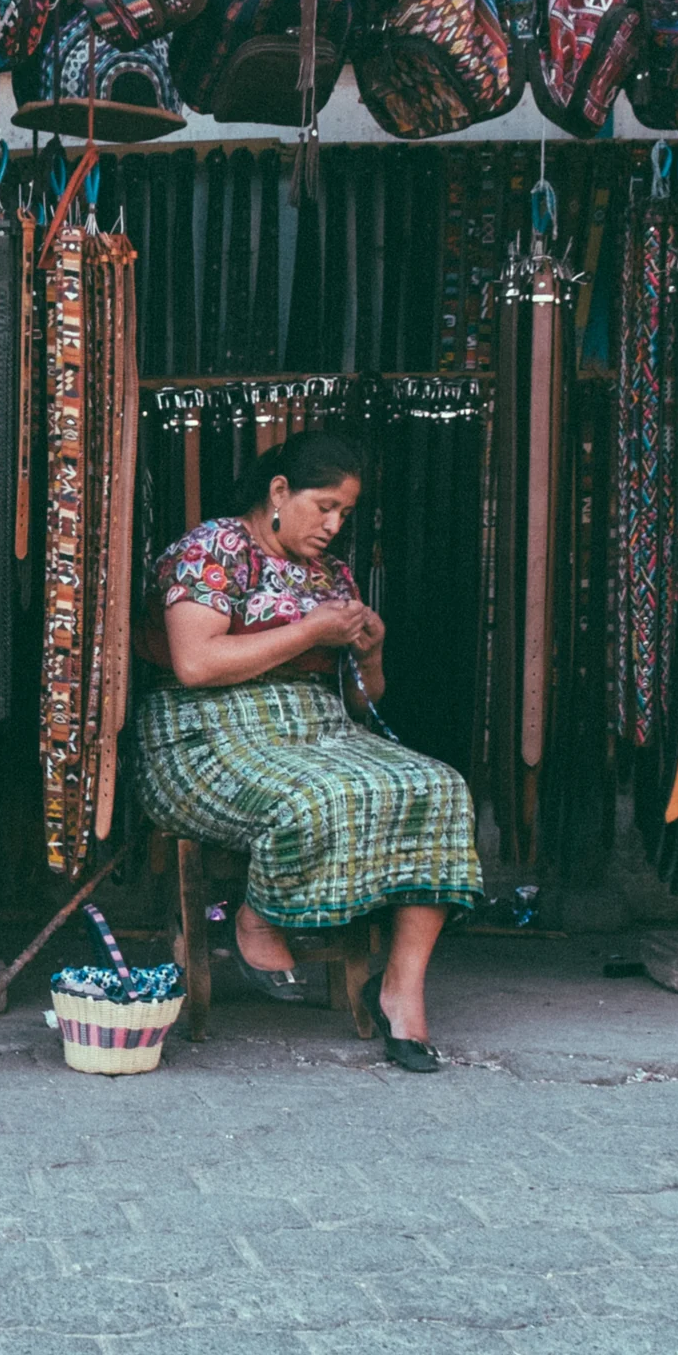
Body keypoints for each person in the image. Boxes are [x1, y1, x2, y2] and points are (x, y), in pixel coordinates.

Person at [134, 431, 482, 1073]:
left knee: (441, 788)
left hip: (322, 732)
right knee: (318, 796)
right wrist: (307, 632)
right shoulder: (211, 549)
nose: (334, 524)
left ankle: (402, 994)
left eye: (345, 513)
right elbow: (194, 662)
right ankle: (258, 917)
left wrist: (370, 652)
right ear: (278, 491)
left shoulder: (331, 575)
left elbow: (358, 701)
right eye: (324, 506)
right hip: (207, 738)